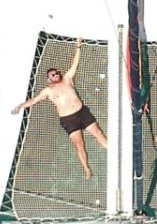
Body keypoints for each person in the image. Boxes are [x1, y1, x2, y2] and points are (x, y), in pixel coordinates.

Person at [14, 45, 108, 178]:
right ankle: (87, 169)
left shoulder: (67, 79)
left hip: (82, 112)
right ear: (49, 79)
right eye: (53, 74)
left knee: (98, 133)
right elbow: (34, 100)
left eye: (57, 72)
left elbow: (75, 62)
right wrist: (20, 106)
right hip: (68, 120)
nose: (56, 74)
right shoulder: (48, 91)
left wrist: (78, 45)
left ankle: (114, 151)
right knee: (79, 144)